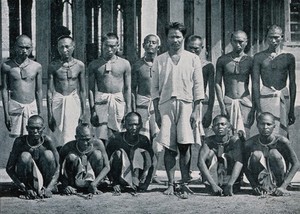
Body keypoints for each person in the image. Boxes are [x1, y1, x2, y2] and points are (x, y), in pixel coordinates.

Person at [151, 22, 205, 197]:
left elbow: (198, 86)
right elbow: (154, 89)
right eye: (171, 37)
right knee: (168, 147)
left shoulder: (193, 58)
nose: (175, 40)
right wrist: (157, 112)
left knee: (185, 146)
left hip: (187, 104)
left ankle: (184, 183)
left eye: (178, 37)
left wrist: (197, 110)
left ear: (183, 38)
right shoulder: (159, 60)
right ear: (166, 39)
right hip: (166, 105)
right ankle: (170, 184)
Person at [252, 25, 296, 137]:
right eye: (270, 37)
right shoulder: (258, 57)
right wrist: (258, 107)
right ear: (266, 38)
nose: (273, 40)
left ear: (282, 37)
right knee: (265, 129)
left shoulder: (288, 57)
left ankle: (281, 154)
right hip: (266, 97)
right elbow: (255, 83)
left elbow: (292, 83)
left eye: (276, 37)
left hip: (283, 96)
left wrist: (291, 108)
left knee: (283, 132)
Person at [88, 33, 131, 144]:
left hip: (118, 100)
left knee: (119, 133)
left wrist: (129, 108)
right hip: (101, 100)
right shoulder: (94, 64)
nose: (109, 49)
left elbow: (127, 88)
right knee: (100, 135)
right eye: (106, 45)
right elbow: (91, 89)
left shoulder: (124, 64)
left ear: (117, 46)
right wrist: (92, 110)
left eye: (112, 46)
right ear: (101, 45)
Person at [244, 112, 299, 196]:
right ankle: (260, 186)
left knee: (273, 153)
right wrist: (254, 185)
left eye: (268, 124)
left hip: (279, 179)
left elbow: (296, 163)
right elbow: (244, 165)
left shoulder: (282, 141)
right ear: (257, 125)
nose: (265, 127)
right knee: (256, 154)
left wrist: (284, 186)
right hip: (259, 179)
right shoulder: (250, 143)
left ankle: (278, 186)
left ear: (274, 126)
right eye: (262, 124)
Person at [132, 34, 163, 184]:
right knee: (142, 140)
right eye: (148, 43)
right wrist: (132, 109)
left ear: (158, 46)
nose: (151, 45)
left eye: (154, 43)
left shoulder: (163, 63)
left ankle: (154, 173)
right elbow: (132, 89)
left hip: (158, 105)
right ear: (143, 45)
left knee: (157, 142)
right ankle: (142, 171)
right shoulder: (137, 65)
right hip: (141, 104)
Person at [6, 115, 60, 199]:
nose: (35, 131)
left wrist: (49, 188)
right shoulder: (20, 142)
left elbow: (58, 167)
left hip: (45, 182)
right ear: (27, 128)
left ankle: (44, 188)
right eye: (32, 128)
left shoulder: (47, 141)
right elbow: (9, 168)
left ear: (43, 128)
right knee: (25, 156)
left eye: (38, 128)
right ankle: (29, 189)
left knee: (48, 154)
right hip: (27, 181)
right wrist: (23, 186)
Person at [47, 35, 86, 146]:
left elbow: (83, 91)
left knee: (73, 133)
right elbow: (49, 91)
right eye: (61, 47)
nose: (64, 50)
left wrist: (83, 112)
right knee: (57, 135)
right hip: (58, 100)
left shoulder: (80, 65)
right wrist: (50, 115)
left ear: (73, 47)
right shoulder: (53, 66)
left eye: (67, 47)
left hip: (73, 101)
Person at [1, 35, 42, 138]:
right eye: (21, 47)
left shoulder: (37, 66)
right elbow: (4, 90)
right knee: (16, 141)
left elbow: (39, 91)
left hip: (32, 107)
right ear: (15, 47)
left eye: (27, 48)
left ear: (31, 48)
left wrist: (40, 113)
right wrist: (6, 114)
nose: (24, 51)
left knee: (32, 139)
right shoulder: (7, 66)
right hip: (15, 107)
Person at [215, 30, 254, 140]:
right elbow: (217, 83)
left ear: (246, 42)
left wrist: (254, 107)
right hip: (228, 101)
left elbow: (255, 84)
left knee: (245, 136)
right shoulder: (222, 60)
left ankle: (245, 158)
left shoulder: (250, 61)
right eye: (235, 41)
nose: (238, 44)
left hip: (245, 102)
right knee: (228, 136)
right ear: (231, 41)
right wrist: (222, 105)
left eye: (241, 41)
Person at [106, 112, 154, 195]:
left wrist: (146, 183)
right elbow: (107, 161)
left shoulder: (144, 140)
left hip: (137, 176)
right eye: (130, 125)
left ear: (141, 125)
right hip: (121, 176)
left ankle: (137, 183)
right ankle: (118, 183)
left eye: (136, 124)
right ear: (125, 125)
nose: (134, 128)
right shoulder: (116, 138)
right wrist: (114, 182)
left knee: (142, 152)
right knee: (118, 153)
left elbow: (152, 162)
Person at [59, 123, 110, 195]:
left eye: (88, 139)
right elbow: (58, 168)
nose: (85, 143)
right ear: (76, 137)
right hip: (75, 182)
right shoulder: (68, 147)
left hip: (95, 181)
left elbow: (107, 166)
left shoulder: (98, 144)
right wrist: (65, 185)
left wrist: (94, 183)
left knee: (97, 154)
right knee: (71, 157)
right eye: (82, 140)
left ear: (93, 136)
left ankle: (96, 185)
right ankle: (72, 186)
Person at [198, 115, 243, 196]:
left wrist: (230, 184)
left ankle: (229, 184)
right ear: (212, 128)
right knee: (210, 153)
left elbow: (239, 162)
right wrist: (213, 185)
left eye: (223, 124)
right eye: (216, 125)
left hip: (232, 184)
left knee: (231, 155)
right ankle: (214, 184)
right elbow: (200, 162)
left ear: (229, 128)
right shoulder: (208, 141)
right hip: (212, 185)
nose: (219, 127)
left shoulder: (234, 141)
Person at [186, 35, 215, 133]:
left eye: (196, 48)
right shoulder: (181, 63)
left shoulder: (207, 66)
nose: (193, 51)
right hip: (186, 101)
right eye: (190, 48)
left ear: (202, 48)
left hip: (202, 103)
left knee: (202, 133)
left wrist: (209, 111)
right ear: (186, 46)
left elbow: (211, 91)